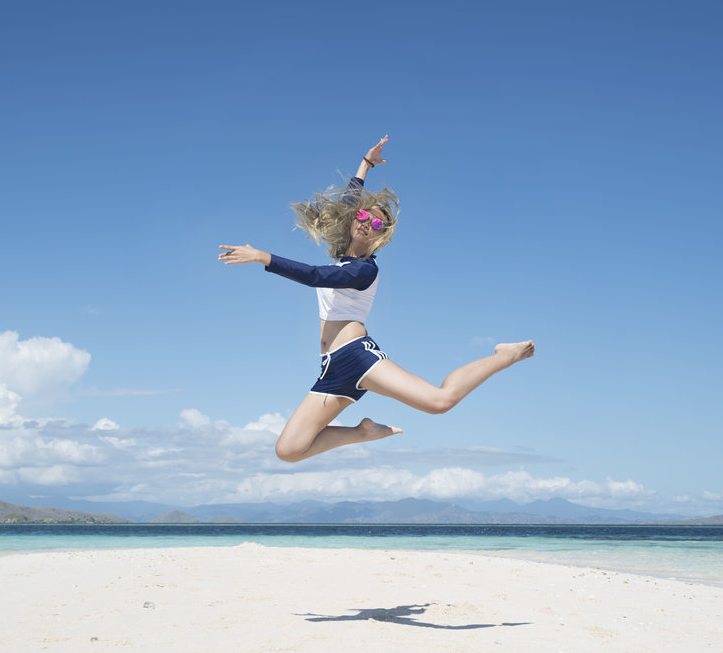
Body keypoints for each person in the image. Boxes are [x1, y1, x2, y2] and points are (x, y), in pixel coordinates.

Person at [219, 135, 534, 463]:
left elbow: (315, 276)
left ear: (382, 235)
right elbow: (348, 201)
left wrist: (262, 257)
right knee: (289, 450)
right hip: (331, 367)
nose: (367, 224)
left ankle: (505, 355)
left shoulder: (363, 270)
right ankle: (362, 433)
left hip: (358, 356)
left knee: (439, 402)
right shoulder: (345, 254)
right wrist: (365, 165)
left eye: (377, 224)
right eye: (363, 218)